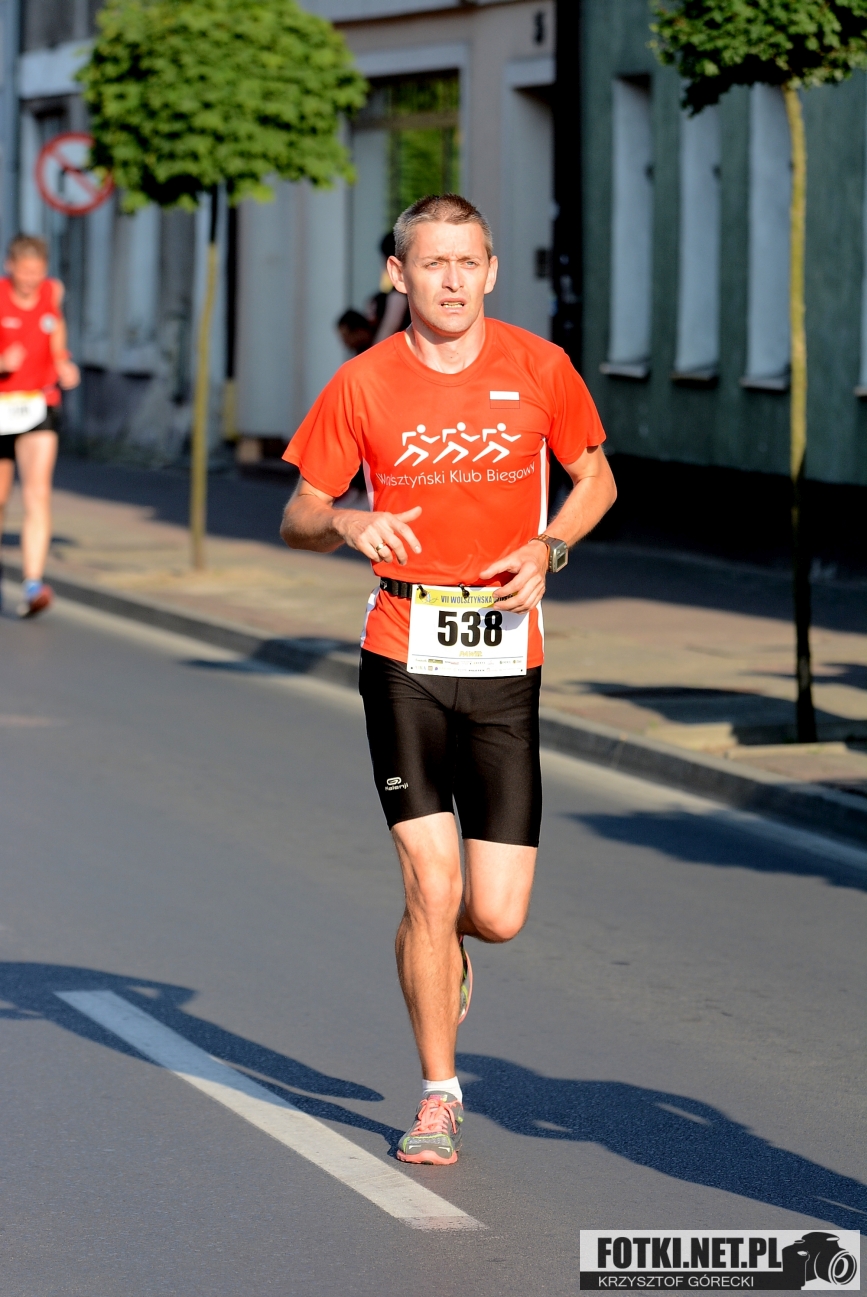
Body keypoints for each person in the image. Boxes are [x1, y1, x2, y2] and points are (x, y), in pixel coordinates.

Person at [280, 193, 616, 1166]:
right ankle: (438, 1095)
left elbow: (597, 479)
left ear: (492, 271)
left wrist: (549, 546)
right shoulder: (362, 383)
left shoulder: (540, 368)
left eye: (469, 262)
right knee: (431, 881)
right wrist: (347, 521)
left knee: (494, 912)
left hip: (507, 657)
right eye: (433, 263)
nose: (454, 280)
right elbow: (299, 512)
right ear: (400, 274)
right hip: (403, 651)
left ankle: (445, 940)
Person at [0, 234, 80, 617]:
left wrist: (61, 360)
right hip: (2, 404)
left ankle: (33, 584)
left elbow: (56, 327)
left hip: (39, 403)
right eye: (25, 271)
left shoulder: (52, 292)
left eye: (38, 271)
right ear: (10, 267)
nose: (32, 279)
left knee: (38, 494)